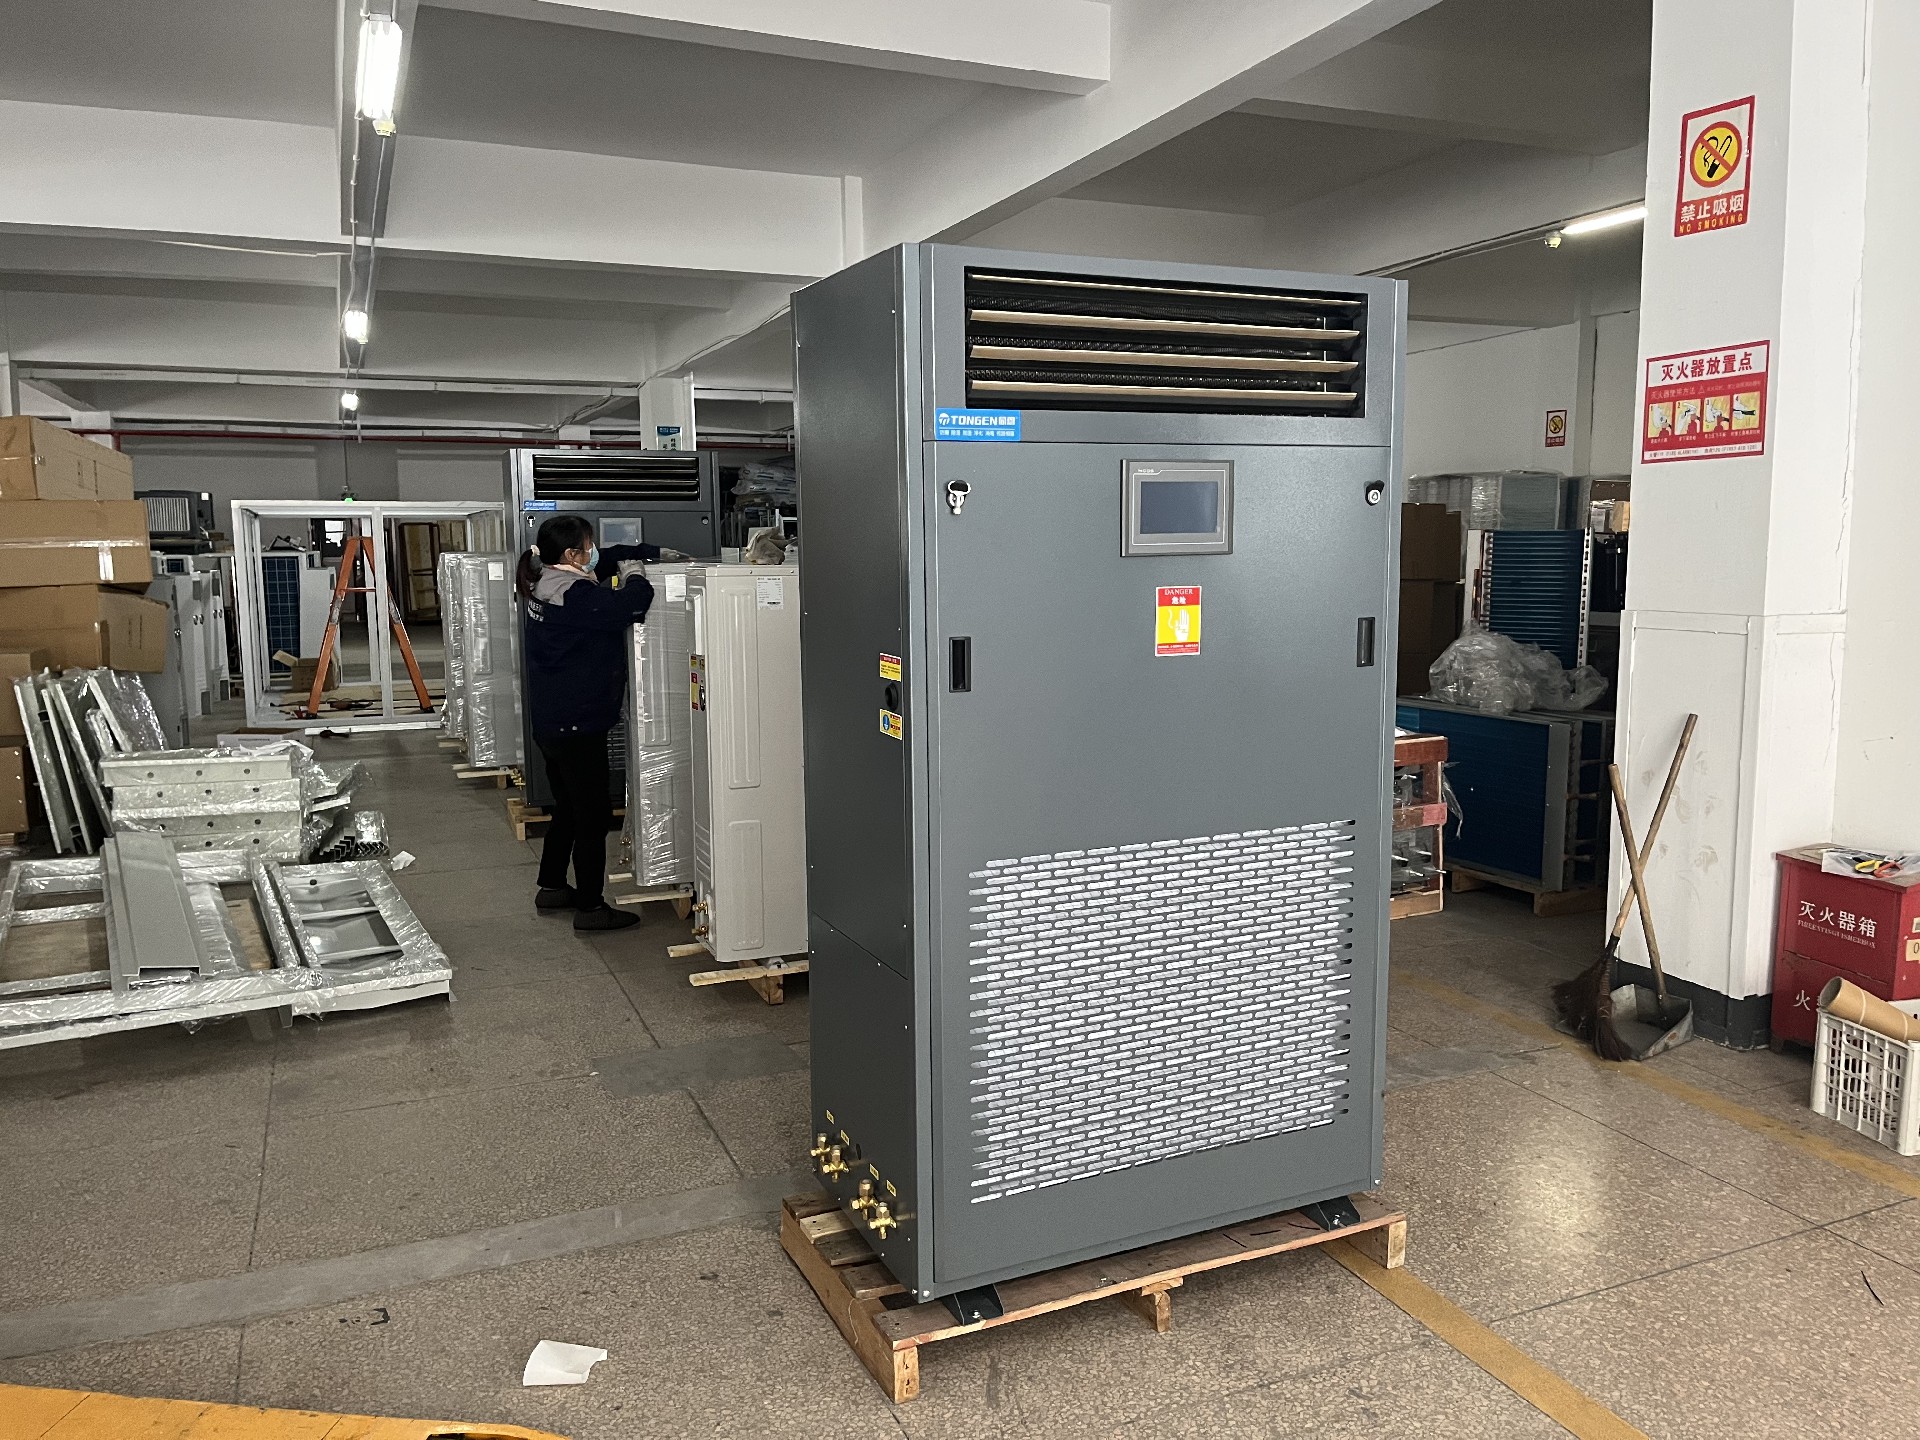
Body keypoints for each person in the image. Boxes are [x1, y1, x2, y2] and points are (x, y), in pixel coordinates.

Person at [514, 513, 681, 931]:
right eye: (587, 547)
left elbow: (610, 557)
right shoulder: (576, 596)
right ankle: (590, 907)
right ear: (572, 555)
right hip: (577, 724)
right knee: (592, 814)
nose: (594, 553)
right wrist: (638, 574)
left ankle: (552, 885)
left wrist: (652, 552)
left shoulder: (544, 578)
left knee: (568, 806)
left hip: (552, 720)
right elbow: (632, 605)